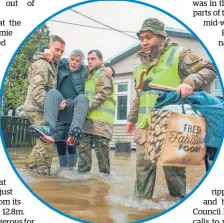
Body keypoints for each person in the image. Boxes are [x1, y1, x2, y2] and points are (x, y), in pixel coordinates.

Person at [126, 18, 217, 199]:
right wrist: (131, 118)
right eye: (141, 38)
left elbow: (210, 68)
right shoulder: (140, 67)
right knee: (143, 170)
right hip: (146, 126)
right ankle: (141, 207)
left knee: (173, 171)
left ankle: (177, 203)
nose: (144, 42)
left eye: (149, 37)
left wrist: (190, 81)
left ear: (161, 36)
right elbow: (140, 95)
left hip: (173, 126)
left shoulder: (179, 55)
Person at [28, 49, 114, 171]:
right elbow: (46, 58)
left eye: (78, 61)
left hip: (76, 111)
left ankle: (73, 166)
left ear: (81, 62)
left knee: (81, 101)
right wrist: (43, 50)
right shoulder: (60, 66)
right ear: (68, 59)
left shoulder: (87, 71)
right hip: (61, 108)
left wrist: (112, 70)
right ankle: (48, 128)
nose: (74, 63)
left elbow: (100, 71)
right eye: (72, 60)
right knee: (59, 138)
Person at [23, 35, 65, 175]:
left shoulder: (52, 63)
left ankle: (29, 170)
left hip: (41, 108)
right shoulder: (42, 64)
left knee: (42, 141)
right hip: (36, 108)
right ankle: (43, 176)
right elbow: (37, 91)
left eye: (61, 51)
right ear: (49, 47)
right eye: (57, 49)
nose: (59, 53)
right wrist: (52, 107)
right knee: (47, 140)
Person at [77, 50, 115, 174]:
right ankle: (82, 186)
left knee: (103, 161)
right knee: (83, 157)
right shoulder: (89, 75)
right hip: (87, 121)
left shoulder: (104, 74)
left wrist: (84, 109)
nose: (90, 61)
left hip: (102, 124)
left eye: (93, 59)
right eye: (88, 59)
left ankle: (104, 188)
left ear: (101, 60)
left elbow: (102, 94)